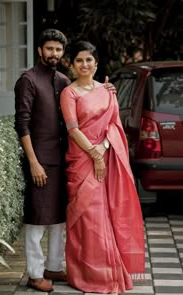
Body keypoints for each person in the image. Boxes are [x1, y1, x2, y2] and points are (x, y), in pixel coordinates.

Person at [60, 40, 145, 294]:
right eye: (79, 60)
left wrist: (103, 149)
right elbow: (72, 129)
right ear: (72, 65)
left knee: (106, 214)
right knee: (87, 217)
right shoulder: (69, 93)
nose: (84, 64)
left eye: (89, 60)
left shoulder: (107, 91)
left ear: (96, 64)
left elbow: (115, 125)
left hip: (106, 157)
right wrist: (94, 154)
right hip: (82, 160)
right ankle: (86, 274)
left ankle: (108, 272)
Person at [14, 29, 69, 292]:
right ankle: (35, 274)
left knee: (59, 218)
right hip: (39, 161)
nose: (54, 54)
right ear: (40, 50)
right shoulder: (28, 80)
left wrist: (106, 90)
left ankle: (54, 267)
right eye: (49, 49)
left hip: (62, 160)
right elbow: (22, 125)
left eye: (58, 50)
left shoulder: (64, 81)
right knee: (37, 220)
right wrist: (33, 162)